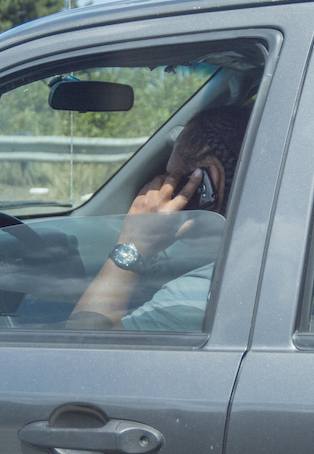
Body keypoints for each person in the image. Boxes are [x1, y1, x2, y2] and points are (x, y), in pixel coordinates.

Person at [68, 104, 250, 331]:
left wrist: (134, 242)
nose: (165, 187)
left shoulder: (191, 300)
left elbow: (81, 343)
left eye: (171, 176)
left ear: (206, 184)